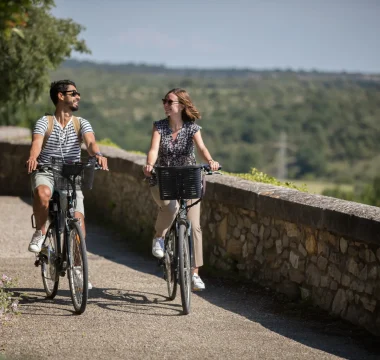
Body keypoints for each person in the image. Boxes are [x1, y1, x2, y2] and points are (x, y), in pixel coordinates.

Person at [26, 80, 108, 288]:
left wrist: (97, 154)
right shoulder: (45, 122)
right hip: (47, 170)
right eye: (74, 93)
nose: (78, 96)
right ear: (60, 96)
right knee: (42, 193)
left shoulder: (82, 123)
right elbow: (36, 142)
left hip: (71, 175)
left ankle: (78, 270)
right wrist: (33, 157)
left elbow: (90, 142)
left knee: (79, 224)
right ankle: (41, 231)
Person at [143, 88, 220, 291]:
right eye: (165, 101)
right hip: (163, 178)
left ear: (182, 106)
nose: (166, 105)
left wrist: (210, 161)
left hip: (188, 179)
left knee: (194, 226)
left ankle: (194, 274)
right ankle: (159, 237)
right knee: (170, 208)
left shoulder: (192, 128)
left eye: (170, 101)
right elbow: (153, 150)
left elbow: (202, 149)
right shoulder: (159, 126)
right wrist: (149, 165)